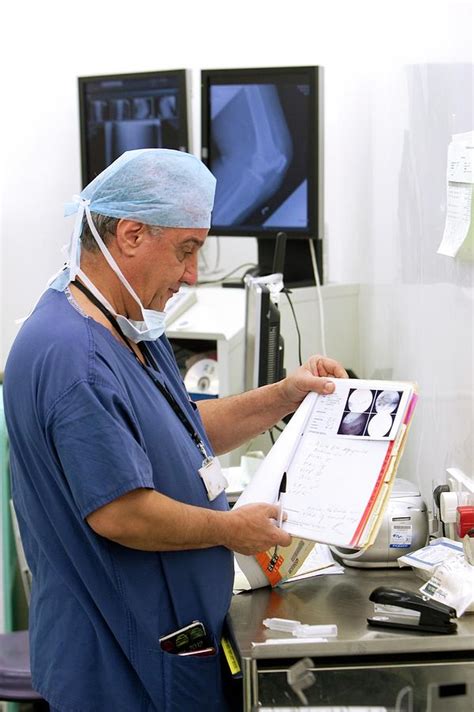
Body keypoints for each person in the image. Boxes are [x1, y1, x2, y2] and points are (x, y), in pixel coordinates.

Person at [3, 149, 347, 712]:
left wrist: (285, 395)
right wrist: (229, 528)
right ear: (132, 234)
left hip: (163, 641)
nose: (192, 274)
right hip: (115, 658)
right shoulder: (75, 358)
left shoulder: (129, 324)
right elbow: (121, 512)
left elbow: (177, 430)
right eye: (187, 250)